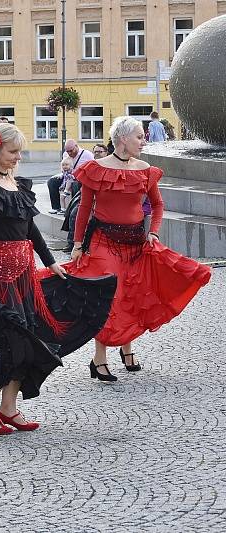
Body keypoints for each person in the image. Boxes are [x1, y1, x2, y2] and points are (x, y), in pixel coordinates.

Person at [0, 124, 115, 435]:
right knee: (11, 342)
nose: (18, 157)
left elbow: (31, 231)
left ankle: (9, 407)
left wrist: (51, 264)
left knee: (29, 338)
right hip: (0, 277)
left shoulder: (18, 185)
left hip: (25, 276)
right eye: (12, 152)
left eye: (19, 151)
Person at [66, 116, 211, 381]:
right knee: (108, 297)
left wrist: (153, 231)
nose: (144, 141)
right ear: (123, 138)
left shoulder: (145, 168)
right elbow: (85, 208)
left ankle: (127, 348)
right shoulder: (96, 168)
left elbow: (157, 205)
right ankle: (99, 358)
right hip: (103, 241)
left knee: (132, 293)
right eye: (139, 137)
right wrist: (77, 244)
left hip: (135, 242)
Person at [61, 144, 108, 252]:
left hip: (102, 200)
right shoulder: (91, 165)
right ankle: (71, 243)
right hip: (87, 196)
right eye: (95, 152)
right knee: (73, 213)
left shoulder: (110, 165)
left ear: (106, 153)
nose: (97, 154)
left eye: (100, 152)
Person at [47, 140, 94, 214]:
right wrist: (62, 173)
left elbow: (92, 169)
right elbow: (63, 166)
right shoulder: (65, 154)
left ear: (76, 146)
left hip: (80, 178)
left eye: (71, 151)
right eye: (67, 151)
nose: (69, 153)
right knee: (52, 182)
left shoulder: (87, 155)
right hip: (67, 176)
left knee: (75, 184)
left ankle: (74, 209)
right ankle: (56, 207)